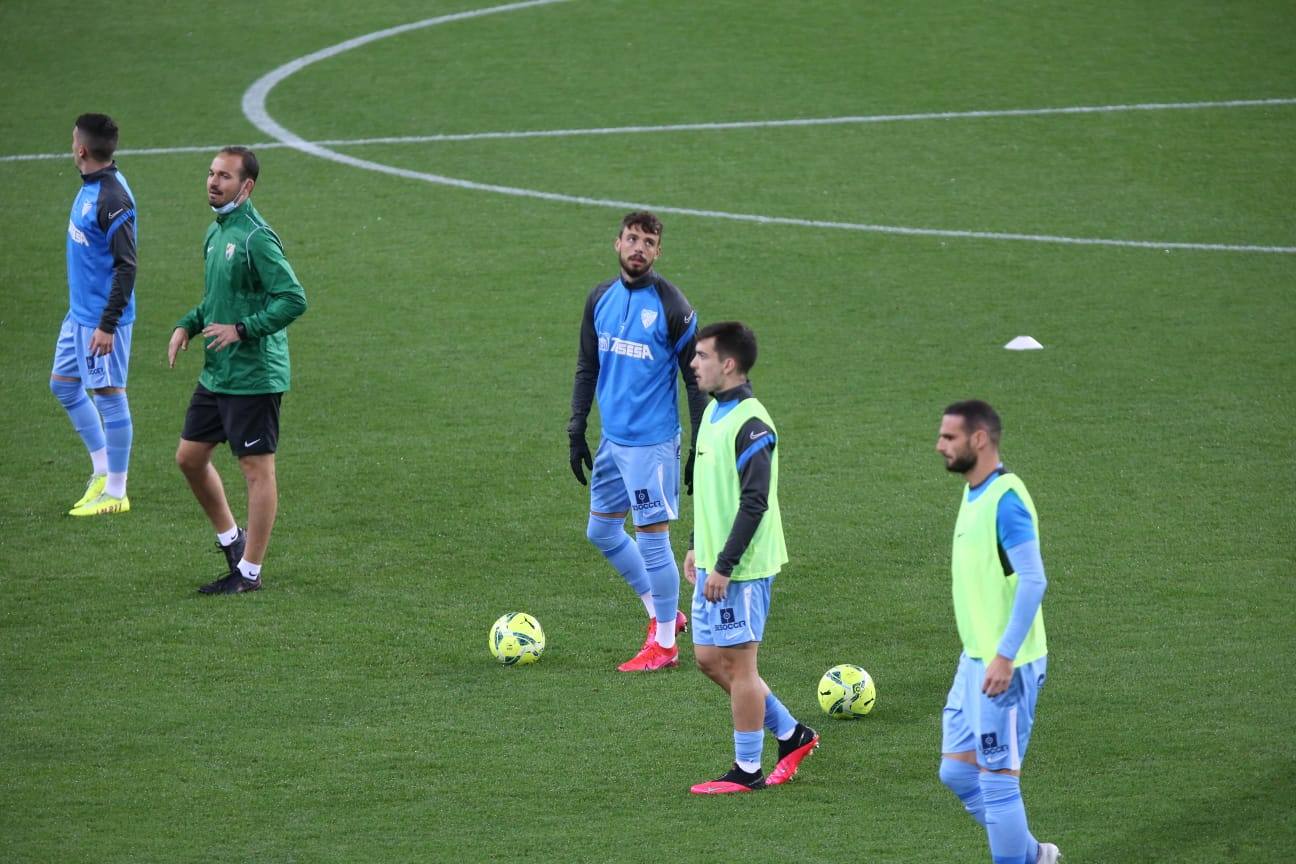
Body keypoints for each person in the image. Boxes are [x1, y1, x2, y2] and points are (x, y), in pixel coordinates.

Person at [568, 211, 709, 671]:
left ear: (658, 252)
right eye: (632, 239)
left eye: (648, 242)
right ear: (617, 244)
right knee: (602, 530)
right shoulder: (600, 299)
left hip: (651, 447)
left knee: (652, 541)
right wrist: (576, 427)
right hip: (613, 441)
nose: (638, 248)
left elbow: (696, 382)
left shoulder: (673, 307)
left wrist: (697, 448)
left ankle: (665, 645)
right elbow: (588, 367)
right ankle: (663, 613)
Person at [683, 322, 817, 795]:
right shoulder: (714, 413)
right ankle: (792, 733)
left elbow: (754, 501)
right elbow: (712, 494)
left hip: (742, 569)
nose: (694, 364)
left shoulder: (752, 424)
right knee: (707, 659)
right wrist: (700, 544)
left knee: (741, 667)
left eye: (702, 356)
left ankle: (747, 770)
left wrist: (724, 565)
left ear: (729, 364)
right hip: (715, 563)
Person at [169, 146, 307, 595]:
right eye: (210, 173)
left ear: (246, 186)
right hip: (218, 371)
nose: (213, 182)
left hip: (253, 374)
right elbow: (217, 298)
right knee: (189, 458)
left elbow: (292, 298)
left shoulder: (255, 238)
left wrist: (244, 329)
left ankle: (249, 572)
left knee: (255, 469)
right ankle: (232, 539)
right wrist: (188, 324)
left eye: (224, 176)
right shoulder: (216, 233)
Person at [935, 400, 1060, 863]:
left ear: (979, 439)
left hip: (1007, 665)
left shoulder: (1006, 499)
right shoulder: (975, 492)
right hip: (975, 660)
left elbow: (1034, 579)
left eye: (949, 438)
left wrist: (1005, 655)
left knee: (997, 781)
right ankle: (1033, 855)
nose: (940, 446)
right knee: (957, 772)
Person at [53, 113, 137, 516]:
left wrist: (106, 326)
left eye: (73, 141)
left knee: (108, 395)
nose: (72, 146)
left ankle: (117, 492)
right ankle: (102, 470)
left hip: (103, 321)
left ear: (82, 149)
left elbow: (127, 266)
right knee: (64, 385)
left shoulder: (112, 199)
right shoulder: (91, 187)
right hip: (79, 316)